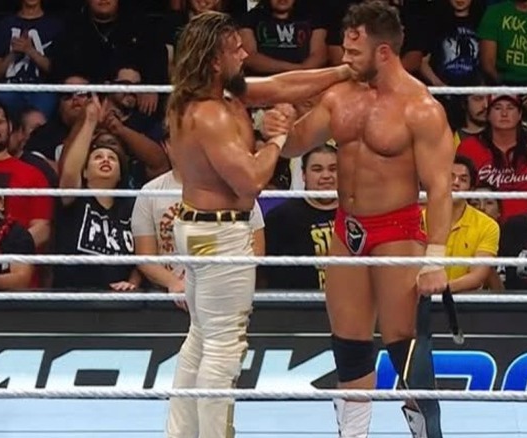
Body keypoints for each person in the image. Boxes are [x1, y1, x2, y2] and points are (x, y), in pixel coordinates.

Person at [264, 2, 454, 436]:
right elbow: (295, 145)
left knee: (405, 345)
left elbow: (440, 186)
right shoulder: (339, 96)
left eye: (354, 51)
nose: (344, 58)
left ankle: (427, 432)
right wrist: (278, 126)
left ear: (383, 52)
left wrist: (436, 255)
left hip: (397, 229)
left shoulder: (420, 108)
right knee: (349, 345)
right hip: (347, 228)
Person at [164, 11, 354, 438]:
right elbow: (250, 182)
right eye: (236, 50)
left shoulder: (213, 97)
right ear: (215, 60)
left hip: (200, 229)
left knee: (200, 337)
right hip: (219, 235)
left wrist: (342, 71)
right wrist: (277, 139)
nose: (246, 54)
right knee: (223, 346)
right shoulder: (210, 114)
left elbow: (283, 86)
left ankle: (182, 434)